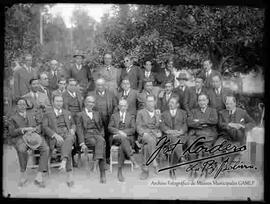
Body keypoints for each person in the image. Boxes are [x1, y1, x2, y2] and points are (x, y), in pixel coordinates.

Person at [8, 98, 49, 187]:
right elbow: (12, 132)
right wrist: (24, 129)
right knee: (21, 149)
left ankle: (39, 175)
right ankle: (23, 175)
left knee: (45, 148)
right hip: (21, 138)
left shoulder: (32, 114)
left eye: (24, 104)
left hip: (35, 136)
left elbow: (40, 124)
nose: (22, 106)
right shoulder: (12, 118)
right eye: (20, 104)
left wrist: (36, 129)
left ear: (26, 105)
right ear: (16, 106)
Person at [42, 95, 76, 187]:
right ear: (53, 102)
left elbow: (73, 124)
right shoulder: (47, 113)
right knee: (67, 145)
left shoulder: (67, 112)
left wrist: (73, 129)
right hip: (55, 137)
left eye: (61, 101)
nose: (59, 103)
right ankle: (69, 174)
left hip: (67, 134)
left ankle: (64, 161)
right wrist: (55, 135)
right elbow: (45, 127)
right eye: (57, 101)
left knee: (69, 139)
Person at [87, 78, 118, 166]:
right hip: (96, 120)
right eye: (98, 85)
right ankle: (97, 157)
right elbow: (88, 107)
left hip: (108, 119)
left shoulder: (111, 94)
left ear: (105, 85)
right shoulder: (91, 94)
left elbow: (116, 106)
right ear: (96, 85)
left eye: (102, 85)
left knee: (108, 138)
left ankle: (107, 157)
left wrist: (113, 117)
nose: (100, 87)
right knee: (98, 138)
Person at [76, 95, 107, 183]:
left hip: (97, 135)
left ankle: (96, 163)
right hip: (87, 136)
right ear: (85, 103)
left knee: (101, 141)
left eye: (93, 102)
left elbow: (101, 127)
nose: (91, 104)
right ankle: (102, 174)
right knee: (101, 144)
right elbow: (79, 129)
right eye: (89, 102)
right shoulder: (80, 115)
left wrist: (101, 135)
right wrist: (82, 143)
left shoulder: (97, 113)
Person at [215, 96, 255, 162]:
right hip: (224, 136)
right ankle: (216, 167)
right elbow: (220, 125)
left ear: (235, 103)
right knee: (216, 149)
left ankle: (227, 163)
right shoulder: (221, 113)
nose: (228, 106)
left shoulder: (242, 112)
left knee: (230, 153)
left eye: (230, 103)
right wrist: (229, 125)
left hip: (237, 137)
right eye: (227, 104)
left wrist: (243, 126)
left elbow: (252, 122)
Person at [187, 93, 218, 177]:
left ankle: (205, 170)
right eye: (200, 100)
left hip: (209, 135)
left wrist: (199, 121)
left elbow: (214, 121)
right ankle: (194, 168)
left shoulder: (212, 110)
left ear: (207, 101)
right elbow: (190, 122)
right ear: (197, 102)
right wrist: (205, 122)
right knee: (191, 147)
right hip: (196, 134)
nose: (202, 102)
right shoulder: (194, 111)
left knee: (205, 149)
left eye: (204, 100)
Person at [108, 99, 139, 182]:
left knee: (122, 146)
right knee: (122, 138)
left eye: (124, 105)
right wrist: (119, 132)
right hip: (116, 138)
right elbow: (110, 127)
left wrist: (124, 133)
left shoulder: (131, 116)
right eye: (121, 105)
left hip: (128, 138)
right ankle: (131, 158)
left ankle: (119, 171)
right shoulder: (114, 116)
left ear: (127, 106)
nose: (123, 107)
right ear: (118, 106)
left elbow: (133, 129)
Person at [160, 96, 188, 179]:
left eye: (172, 103)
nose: (170, 104)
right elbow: (162, 125)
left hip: (181, 135)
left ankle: (171, 170)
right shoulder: (164, 113)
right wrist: (169, 131)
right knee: (175, 141)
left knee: (175, 143)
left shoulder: (183, 113)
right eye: (169, 102)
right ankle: (181, 158)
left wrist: (181, 131)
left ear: (177, 104)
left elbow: (185, 124)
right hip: (169, 136)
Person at [136, 95, 162, 180]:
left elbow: (159, 126)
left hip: (154, 135)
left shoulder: (157, 113)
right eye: (148, 101)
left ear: (155, 102)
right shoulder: (140, 112)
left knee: (147, 145)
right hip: (144, 135)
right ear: (145, 103)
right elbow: (138, 126)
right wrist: (143, 133)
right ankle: (154, 162)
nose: (150, 103)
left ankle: (145, 169)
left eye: (152, 101)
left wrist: (159, 132)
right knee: (148, 139)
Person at [62, 78, 84, 167]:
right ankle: (71, 158)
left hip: (79, 118)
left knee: (81, 135)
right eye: (71, 85)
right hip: (70, 119)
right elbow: (65, 111)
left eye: (75, 85)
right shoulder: (64, 95)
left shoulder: (78, 94)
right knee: (71, 136)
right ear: (67, 85)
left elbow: (82, 108)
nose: (73, 87)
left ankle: (78, 155)